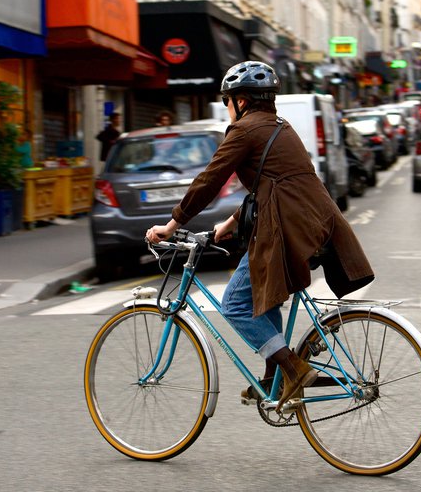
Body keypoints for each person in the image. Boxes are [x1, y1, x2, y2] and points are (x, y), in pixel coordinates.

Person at [145, 61, 374, 410]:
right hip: (316, 223)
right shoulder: (282, 127)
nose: (227, 107)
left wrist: (172, 225)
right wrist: (231, 222)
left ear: (240, 100)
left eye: (227, 100)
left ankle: (292, 369)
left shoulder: (244, 131)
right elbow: (274, 185)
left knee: (235, 304)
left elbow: (208, 181)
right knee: (265, 296)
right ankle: (275, 378)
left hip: (287, 229)